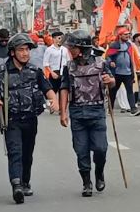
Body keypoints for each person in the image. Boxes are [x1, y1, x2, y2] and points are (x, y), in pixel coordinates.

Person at [0, 33, 59, 203]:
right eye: (21, 50)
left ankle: (25, 181)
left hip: (31, 119)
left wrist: (53, 100)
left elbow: (47, 88)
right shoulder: (1, 72)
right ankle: (16, 185)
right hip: (11, 120)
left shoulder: (35, 71)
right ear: (12, 52)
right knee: (15, 152)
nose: (25, 53)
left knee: (27, 153)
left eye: (27, 50)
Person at [59, 30, 115, 197]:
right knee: (81, 150)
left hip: (97, 111)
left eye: (72, 47)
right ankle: (86, 182)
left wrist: (109, 81)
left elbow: (112, 82)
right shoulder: (68, 67)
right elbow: (64, 89)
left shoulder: (101, 63)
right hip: (77, 113)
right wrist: (63, 113)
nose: (70, 50)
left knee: (101, 148)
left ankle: (99, 173)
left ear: (82, 48)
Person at [106, 28, 140, 116]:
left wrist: (135, 70)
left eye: (128, 34)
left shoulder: (129, 45)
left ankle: (133, 109)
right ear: (120, 35)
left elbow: (132, 58)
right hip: (116, 73)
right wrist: (110, 62)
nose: (127, 36)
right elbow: (108, 56)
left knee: (130, 91)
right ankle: (110, 109)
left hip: (128, 73)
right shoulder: (114, 45)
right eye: (125, 34)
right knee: (113, 92)